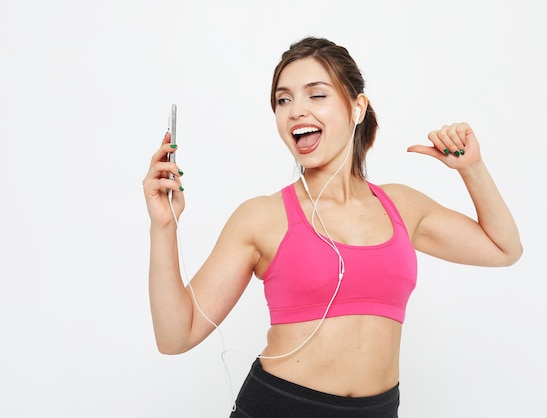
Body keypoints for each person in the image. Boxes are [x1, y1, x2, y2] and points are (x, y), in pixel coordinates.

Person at [142, 36, 523, 418]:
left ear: (357, 108)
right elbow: (177, 335)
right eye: (283, 100)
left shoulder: (401, 207)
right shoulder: (262, 217)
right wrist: (163, 228)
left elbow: (504, 248)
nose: (295, 111)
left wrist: (471, 168)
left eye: (316, 95)